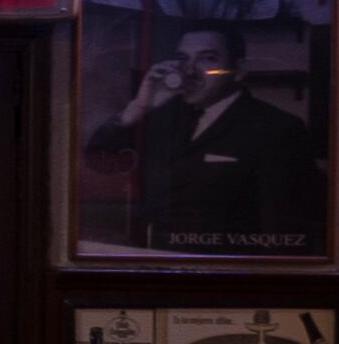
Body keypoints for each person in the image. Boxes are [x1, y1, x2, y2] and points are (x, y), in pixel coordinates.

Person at [90, 23, 319, 253]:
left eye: (207, 59)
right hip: (156, 264)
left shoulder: (276, 128)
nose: (189, 71)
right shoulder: (165, 118)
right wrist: (138, 107)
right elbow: (97, 160)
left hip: (223, 272)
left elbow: (285, 228)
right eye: (183, 59)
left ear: (238, 70)